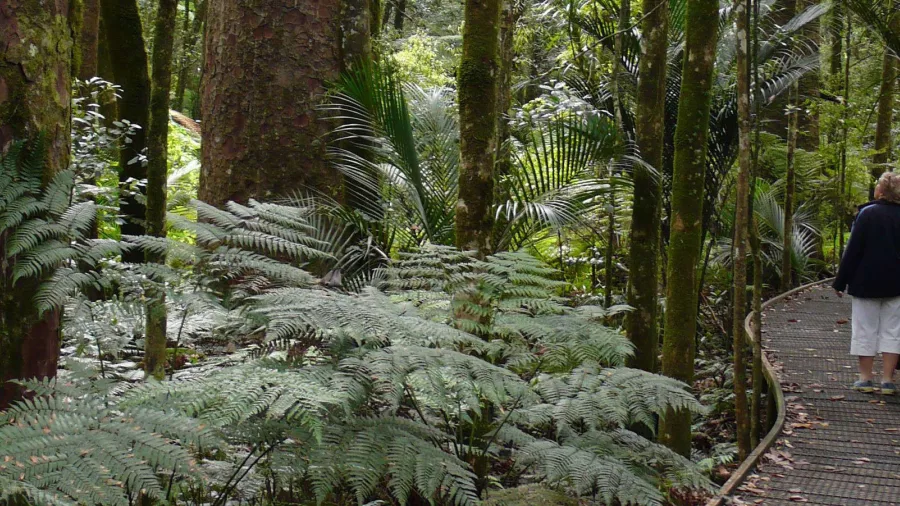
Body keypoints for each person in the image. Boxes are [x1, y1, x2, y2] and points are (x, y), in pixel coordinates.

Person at [834, 172, 900, 395]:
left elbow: (853, 251)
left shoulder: (867, 214)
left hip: (866, 282)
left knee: (865, 328)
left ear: (881, 191)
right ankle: (888, 380)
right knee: (894, 331)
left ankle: (865, 378)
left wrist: (840, 282)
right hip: (897, 285)